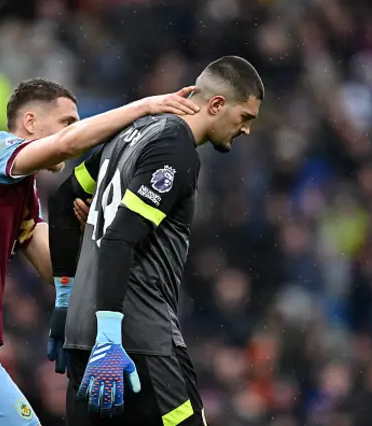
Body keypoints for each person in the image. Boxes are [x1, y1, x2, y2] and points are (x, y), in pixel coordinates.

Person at [0, 77, 199, 426]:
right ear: (30, 122)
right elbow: (65, 146)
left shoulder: (16, 191)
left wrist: (90, 228)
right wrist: (144, 107)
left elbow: (50, 266)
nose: (74, 130)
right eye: (66, 121)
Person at [47, 56, 264, 425]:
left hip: (84, 338)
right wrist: (111, 336)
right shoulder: (176, 151)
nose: (245, 130)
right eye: (244, 118)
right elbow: (118, 237)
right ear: (215, 104)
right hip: (138, 343)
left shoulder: (129, 134)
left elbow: (62, 201)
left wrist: (65, 303)